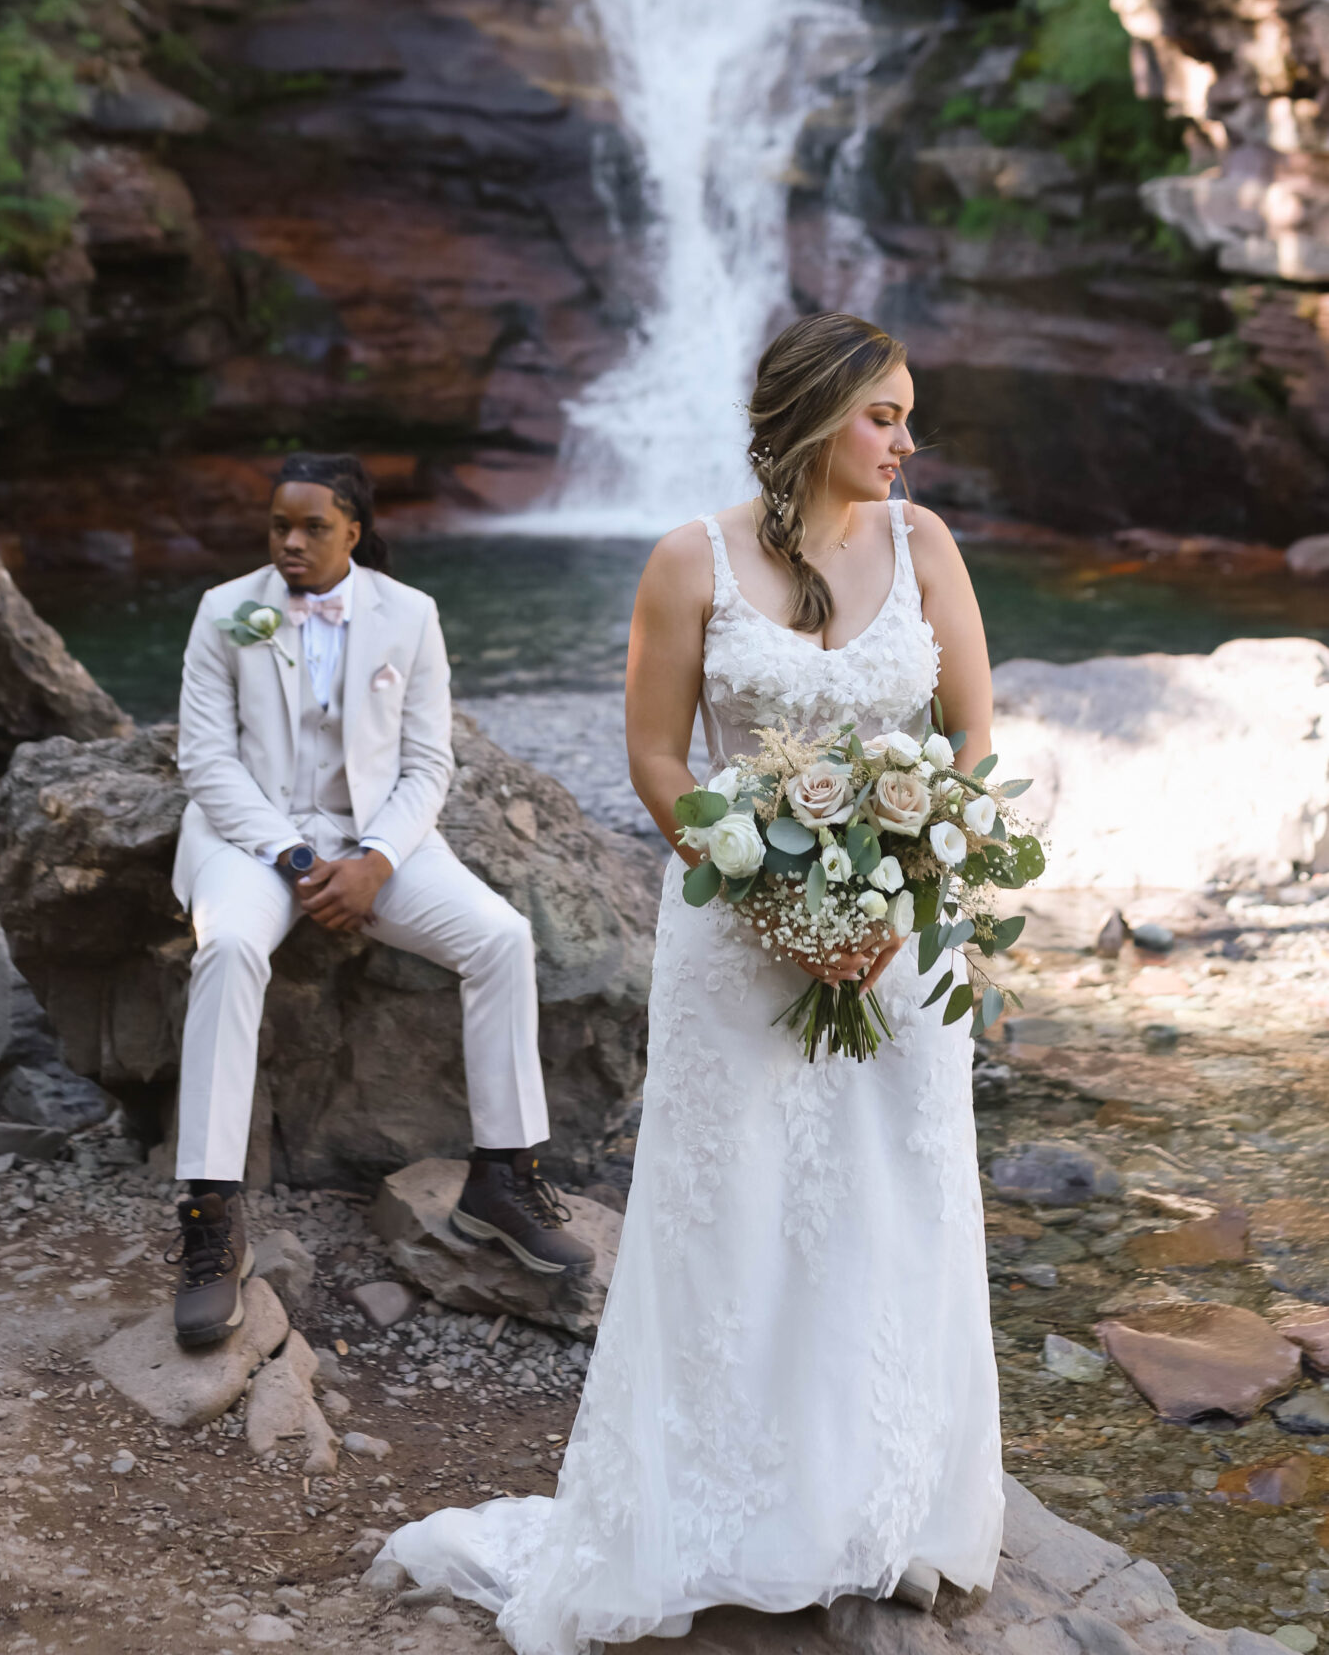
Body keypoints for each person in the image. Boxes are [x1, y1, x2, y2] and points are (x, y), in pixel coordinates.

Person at [377, 312, 1003, 1651]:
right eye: (884, 415)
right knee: (741, 1209)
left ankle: (880, 1503)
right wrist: (770, 893)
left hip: (902, 934)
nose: (906, 440)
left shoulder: (926, 545)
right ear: (816, 414)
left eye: (909, 416)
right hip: (739, 940)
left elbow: (969, 729)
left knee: (899, 1195)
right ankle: (724, 1511)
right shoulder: (688, 561)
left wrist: (901, 882)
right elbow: (658, 758)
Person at [167, 449, 591, 1346]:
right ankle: (209, 1217)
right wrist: (290, 856)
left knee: (502, 938)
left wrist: (375, 860)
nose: (290, 541)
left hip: (377, 839)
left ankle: (502, 1176)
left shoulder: (412, 615)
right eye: (278, 525)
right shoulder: (224, 612)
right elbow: (204, 761)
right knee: (231, 948)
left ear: (353, 531)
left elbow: (427, 761)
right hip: (253, 838)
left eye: (312, 527)